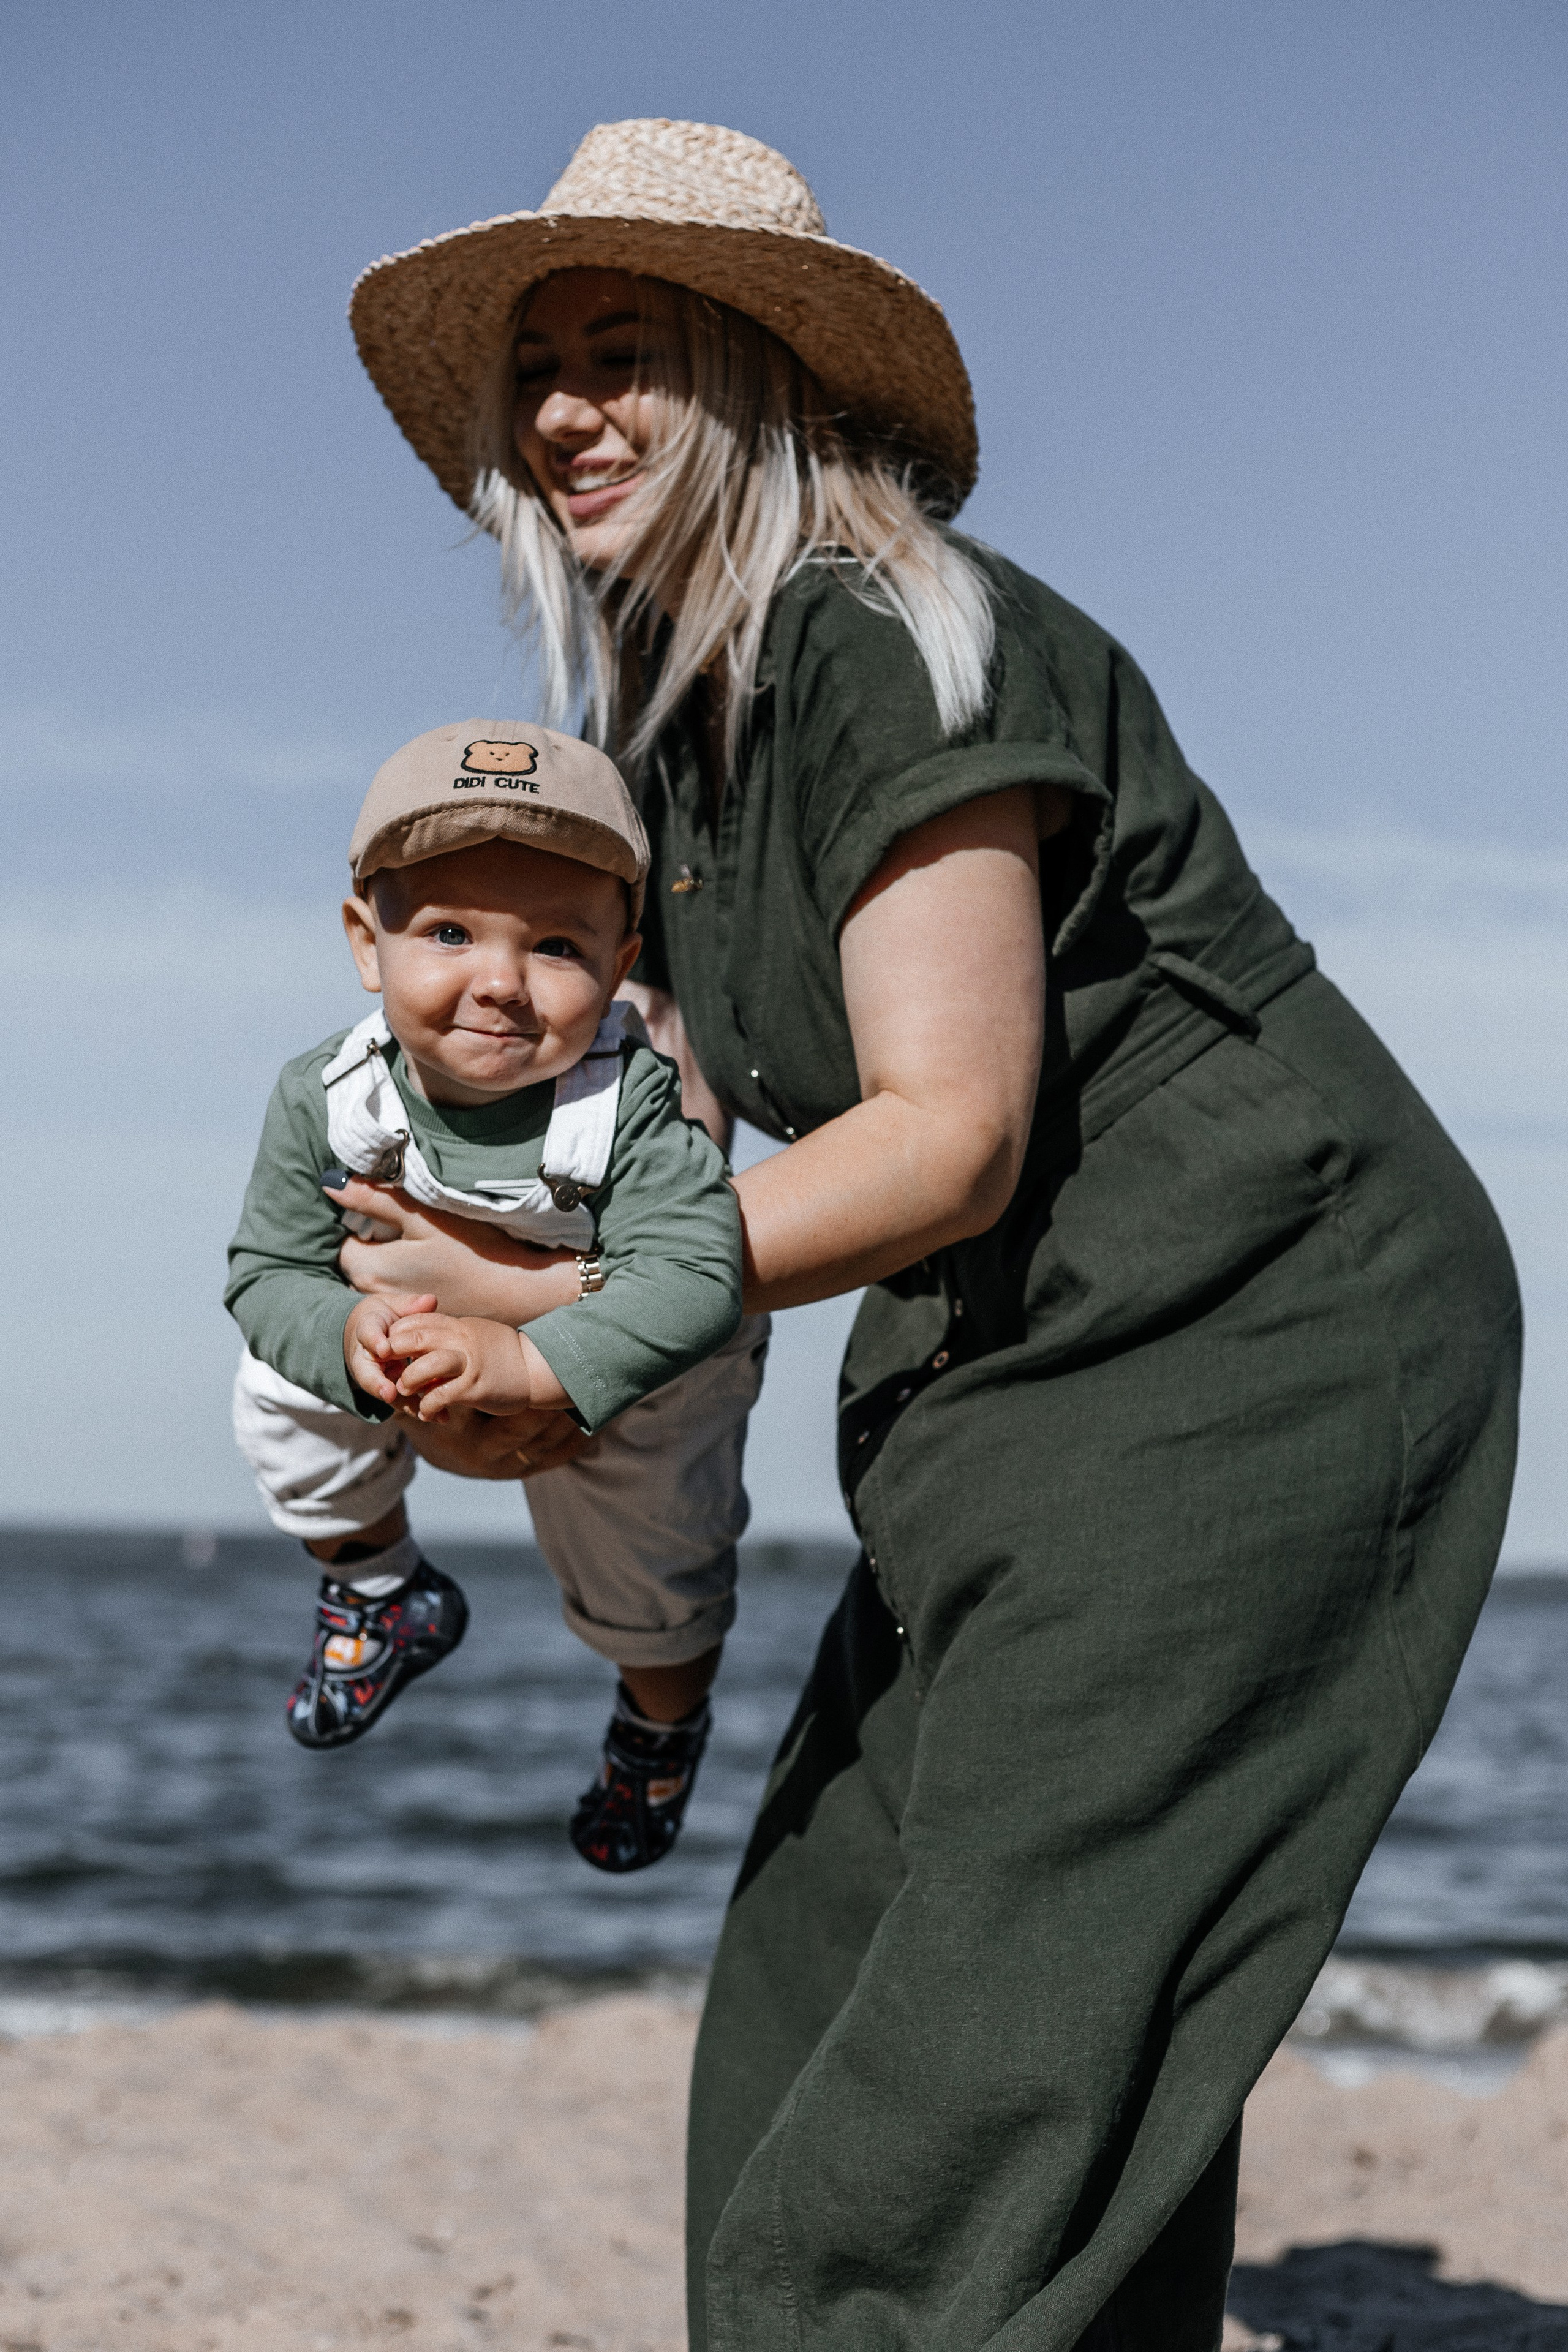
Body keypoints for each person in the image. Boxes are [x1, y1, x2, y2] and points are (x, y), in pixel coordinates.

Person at [340, 120, 1522, 2350]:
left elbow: (947, 1138)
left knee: (953, 2101)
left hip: (1259, 1332)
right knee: (817, 2001)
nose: (569, 407)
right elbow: (676, 1187)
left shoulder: (887, 637)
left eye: (627, 350)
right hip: (995, 1382)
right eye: (545, 370)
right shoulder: (667, 753)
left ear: (766, 376)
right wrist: (479, 1322)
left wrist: (579, 1326)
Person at [225, 717, 760, 1873]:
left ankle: (659, 1724)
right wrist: (345, 1331)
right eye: (450, 931)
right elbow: (264, 1271)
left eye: (558, 945)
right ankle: (378, 1589)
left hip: (630, 1371)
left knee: (657, 1582)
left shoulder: (631, 1106)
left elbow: (700, 1275)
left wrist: (532, 1359)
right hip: (414, 1347)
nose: (501, 983)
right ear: (368, 944)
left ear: (623, 965)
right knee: (272, 1384)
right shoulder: (329, 1094)